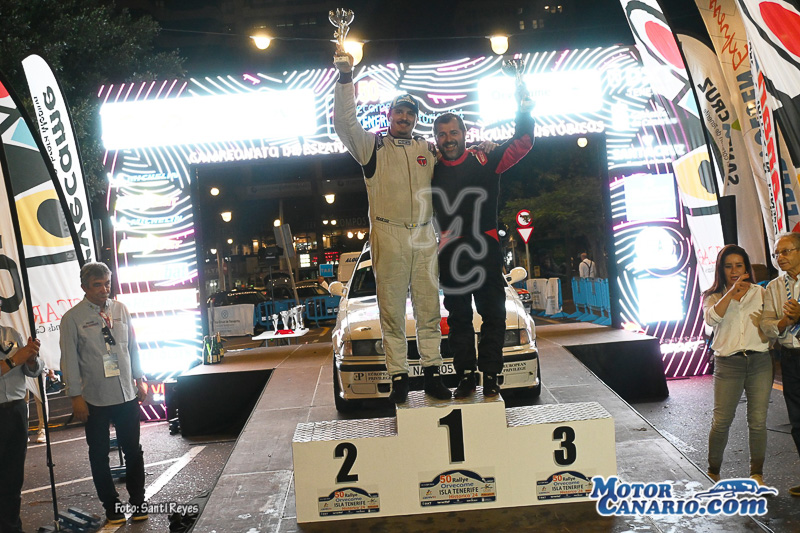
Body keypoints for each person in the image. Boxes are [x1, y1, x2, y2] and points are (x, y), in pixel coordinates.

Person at [333, 50, 450, 402]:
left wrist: (483, 148)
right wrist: (345, 79)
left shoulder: (427, 149)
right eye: (399, 111)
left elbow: (457, 157)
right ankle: (399, 376)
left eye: (410, 113)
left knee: (429, 309)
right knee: (392, 310)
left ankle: (432, 373)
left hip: (423, 232)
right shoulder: (372, 147)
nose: (404, 117)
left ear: (416, 118)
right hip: (388, 232)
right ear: (389, 115)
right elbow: (344, 124)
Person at [431, 88, 534, 398]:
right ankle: (465, 376)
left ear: (465, 133)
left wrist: (524, 110)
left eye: (453, 132)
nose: (448, 139)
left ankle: (490, 374)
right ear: (435, 139)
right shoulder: (429, 168)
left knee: (494, 315)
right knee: (458, 319)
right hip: (450, 253)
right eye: (442, 134)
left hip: (486, 248)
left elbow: (523, 142)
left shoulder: (485, 158)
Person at [60, 262, 148, 523]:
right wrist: (76, 397)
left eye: (107, 283)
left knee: (134, 451)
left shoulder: (121, 309)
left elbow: (132, 347)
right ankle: (111, 505)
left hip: (126, 393)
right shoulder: (72, 318)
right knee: (99, 455)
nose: (103, 289)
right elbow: (69, 360)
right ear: (84, 287)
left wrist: (140, 379)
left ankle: (138, 501)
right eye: (97, 285)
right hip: (94, 398)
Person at [703, 245, 771, 486]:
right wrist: (730, 294)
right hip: (728, 365)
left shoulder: (760, 293)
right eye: (728, 266)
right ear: (721, 269)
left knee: (758, 421)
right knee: (721, 421)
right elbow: (711, 319)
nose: (734, 271)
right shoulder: (713, 296)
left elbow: (770, 322)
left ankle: (757, 474)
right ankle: (713, 471)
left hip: (759, 361)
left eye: (739, 265)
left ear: (746, 268)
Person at [761, 231, 800, 496]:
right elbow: (765, 324)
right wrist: (783, 323)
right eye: (776, 254)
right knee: (797, 420)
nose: (780, 257)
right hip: (790, 357)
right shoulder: (774, 287)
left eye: (786, 251)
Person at [0, 299, 42, 533]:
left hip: (16, 409)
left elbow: (32, 371)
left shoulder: (12, 334)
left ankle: (12, 527)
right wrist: (15, 359)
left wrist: (32, 358)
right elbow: (13, 362)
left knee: (13, 476)